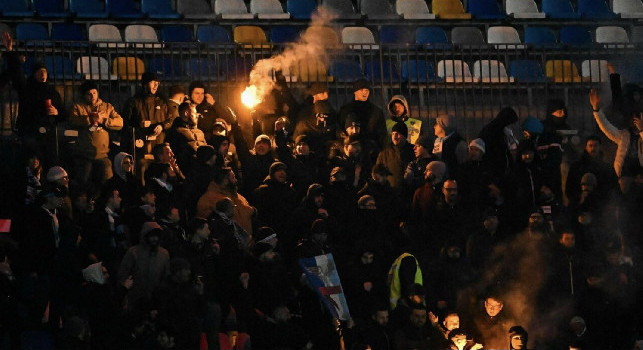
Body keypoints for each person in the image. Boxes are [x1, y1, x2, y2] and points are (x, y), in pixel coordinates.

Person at [4, 33, 65, 166]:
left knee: (50, 162)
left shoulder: (52, 92)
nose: (42, 74)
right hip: (30, 131)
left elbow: (63, 113)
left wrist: (56, 113)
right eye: (39, 72)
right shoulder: (27, 88)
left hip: (48, 134)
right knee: (31, 163)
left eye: (44, 72)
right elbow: (17, 74)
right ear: (34, 74)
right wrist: (10, 51)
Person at [69, 80, 123, 186]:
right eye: (89, 94)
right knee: (83, 183)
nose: (92, 96)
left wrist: (103, 120)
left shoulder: (107, 107)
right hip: (84, 155)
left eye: (94, 93)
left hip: (103, 154)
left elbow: (120, 122)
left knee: (107, 182)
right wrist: (90, 118)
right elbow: (73, 120)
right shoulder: (78, 107)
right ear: (84, 95)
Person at [589, 88, 642, 178]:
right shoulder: (625, 135)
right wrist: (596, 109)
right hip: (623, 175)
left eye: (638, 117)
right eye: (633, 118)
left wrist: (641, 130)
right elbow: (606, 127)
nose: (636, 121)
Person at [122, 72, 170, 170]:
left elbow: (171, 119)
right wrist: (138, 125)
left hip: (159, 144)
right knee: (142, 168)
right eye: (153, 82)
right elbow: (125, 123)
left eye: (157, 82)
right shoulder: (134, 102)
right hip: (141, 146)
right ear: (145, 84)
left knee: (161, 170)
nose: (156, 84)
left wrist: (162, 126)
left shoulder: (162, 101)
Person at [117, 222, 170, 308]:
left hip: (154, 301)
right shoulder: (133, 252)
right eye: (152, 236)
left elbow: (165, 277)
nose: (155, 239)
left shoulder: (164, 254)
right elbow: (123, 275)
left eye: (157, 236)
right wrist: (124, 297)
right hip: (134, 300)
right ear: (145, 236)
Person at [196, 167, 255, 237]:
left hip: (245, 241)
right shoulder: (209, 199)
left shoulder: (237, 196)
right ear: (225, 181)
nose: (236, 180)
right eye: (233, 177)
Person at [338, 79, 387, 148]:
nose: (365, 92)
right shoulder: (346, 110)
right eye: (361, 90)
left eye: (367, 90)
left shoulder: (376, 111)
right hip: (350, 149)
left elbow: (382, 134)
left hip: (370, 151)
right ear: (355, 92)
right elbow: (340, 130)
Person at [165, 102, 207, 172]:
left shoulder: (200, 133)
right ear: (186, 113)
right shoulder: (174, 133)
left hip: (202, 172)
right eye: (195, 113)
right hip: (187, 173)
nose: (197, 116)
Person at [375, 122, 415, 189]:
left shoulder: (413, 151)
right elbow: (377, 173)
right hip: (391, 193)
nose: (394, 137)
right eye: (393, 134)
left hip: (409, 192)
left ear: (404, 136)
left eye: (397, 134)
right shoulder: (384, 153)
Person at [432, 114, 468, 179]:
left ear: (443, 127)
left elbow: (463, 166)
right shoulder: (438, 141)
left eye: (437, 124)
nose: (434, 126)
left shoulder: (458, 143)